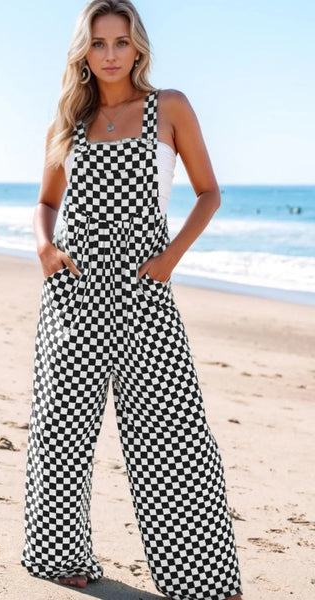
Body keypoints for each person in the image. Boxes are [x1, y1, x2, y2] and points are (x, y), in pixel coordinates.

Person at [21, 1, 243, 599]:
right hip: (74, 291)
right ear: (84, 52)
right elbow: (46, 201)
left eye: (121, 42)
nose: (111, 54)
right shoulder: (68, 120)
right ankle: (60, 556)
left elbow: (209, 193)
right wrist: (44, 247)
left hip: (145, 288)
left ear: (138, 46)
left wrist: (169, 260)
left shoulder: (169, 107)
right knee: (62, 428)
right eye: (98, 43)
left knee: (172, 434)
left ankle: (204, 579)